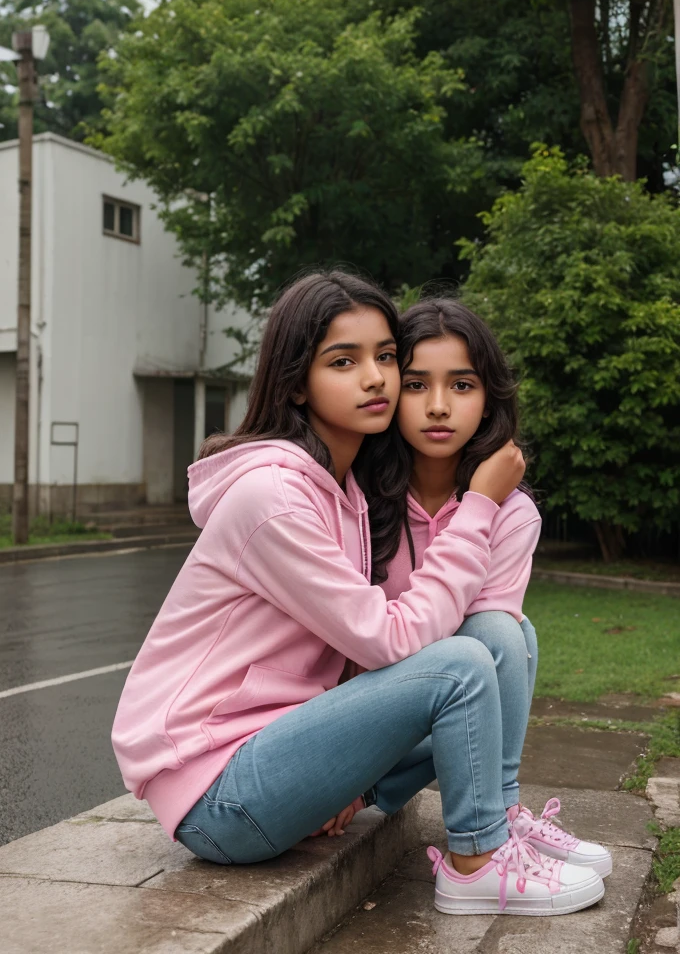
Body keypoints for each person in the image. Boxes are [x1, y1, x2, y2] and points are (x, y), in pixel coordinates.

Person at [111, 269, 604, 916]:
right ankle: (477, 862)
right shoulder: (275, 499)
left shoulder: (340, 492)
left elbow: (345, 656)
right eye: (344, 361)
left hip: (280, 755)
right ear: (295, 382)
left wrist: (339, 770)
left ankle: (499, 822)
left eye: (385, 357)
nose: (375, 378)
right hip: (219, 793)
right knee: (461, 669)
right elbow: (389, 639)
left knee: (506, 642)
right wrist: (478, 504)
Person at [354, 297, 612, 902]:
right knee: (497, 638)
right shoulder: (358, 497)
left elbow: (478, 652)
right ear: (391, 389)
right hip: (355, 721)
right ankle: (490, 828)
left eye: (461, 385)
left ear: (489, 397)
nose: (438, 406)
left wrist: (484, 503)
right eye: (417, 384)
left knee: (507, 633)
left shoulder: (514, 512)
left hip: (435, 712)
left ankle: (501, 811)